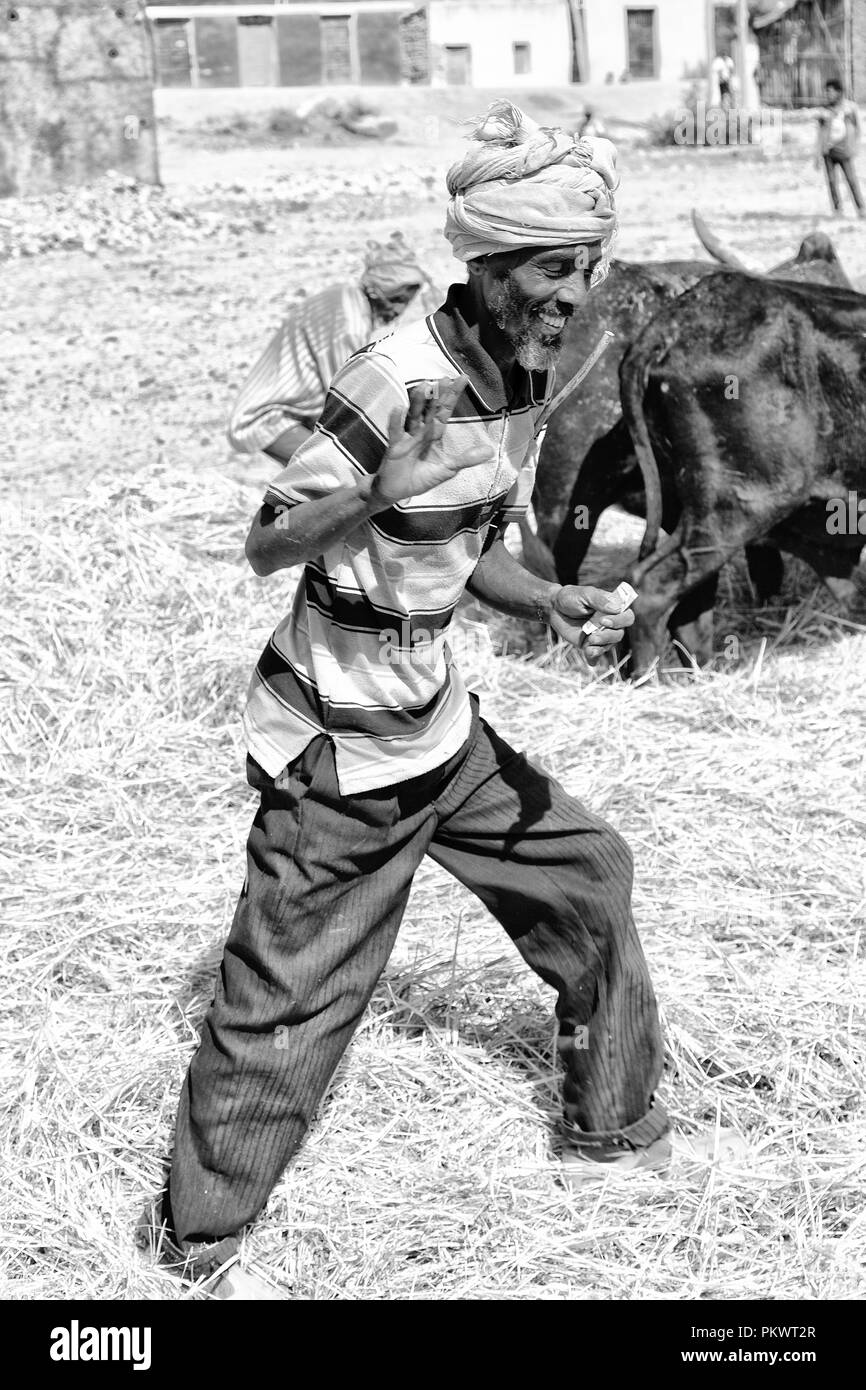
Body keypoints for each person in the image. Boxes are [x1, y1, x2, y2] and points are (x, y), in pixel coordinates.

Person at [140, 101, 744, 1300]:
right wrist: (373, 492)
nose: (576, 294)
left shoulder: (519, 370)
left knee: (587, 872)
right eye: (551, 270)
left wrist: (548, 603)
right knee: (286, 1005)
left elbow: (463, 549)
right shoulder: (392, 379)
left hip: (436, 724)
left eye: (589, 267)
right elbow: (269, 542)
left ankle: (609, 1129)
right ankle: (194, 1245)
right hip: (340, 749)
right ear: (484, 261)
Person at [227, 231, 440, 464]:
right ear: (377, 290)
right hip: (269, 419)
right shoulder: (349, 325)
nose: (399, 311)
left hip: (295, 413)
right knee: (345, 472)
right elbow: (350, 396)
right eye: (396, 299)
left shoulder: (342, 295)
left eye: (405, 303)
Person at [815, 79, 864, 218]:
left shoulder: (849, 108)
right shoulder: (824, 111)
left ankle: (861, 208)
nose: (827, 95)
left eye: (830, 92)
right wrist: (817, 154)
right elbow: (820, 133)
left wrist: (855, 146)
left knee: (851, 180)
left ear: (838, 92)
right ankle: (838, 210)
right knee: (832, 182)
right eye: (826, 92)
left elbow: (858, 128)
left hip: (845, 151)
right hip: (828, 152)